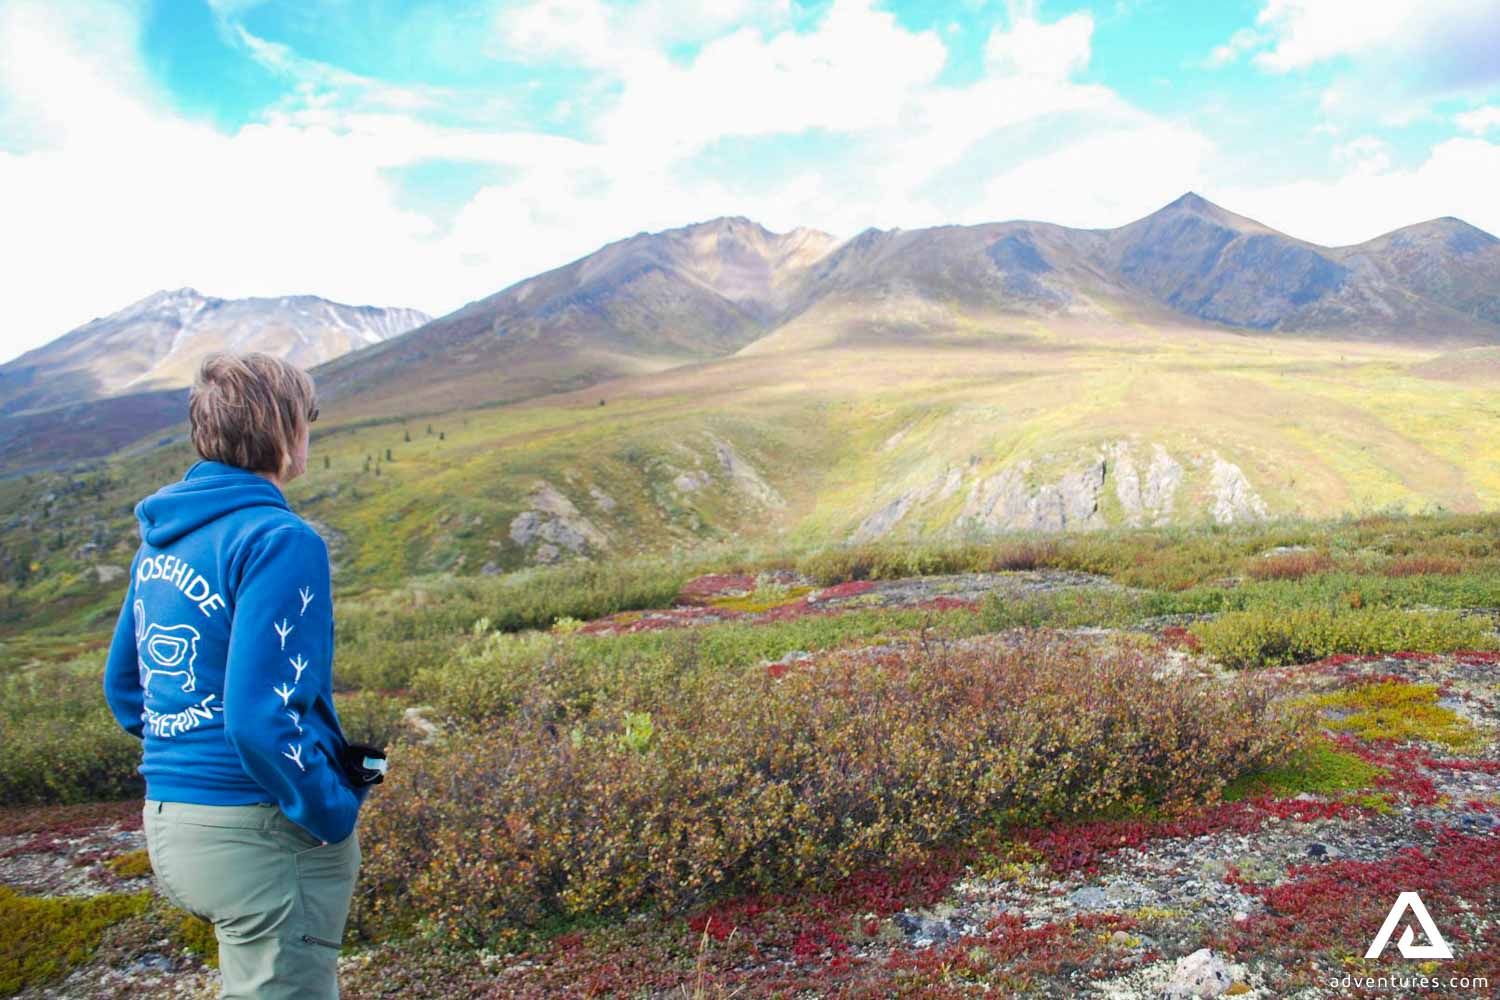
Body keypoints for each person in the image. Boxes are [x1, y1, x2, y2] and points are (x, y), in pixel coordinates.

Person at [103, 352, 370, 999]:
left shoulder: (163, 540)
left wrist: (190, 757)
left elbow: (125, 687)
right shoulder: (279, 538)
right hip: (257, 834)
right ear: (283, 429)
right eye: (305, 417)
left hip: (170, 822)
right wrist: (333, 811)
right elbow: (259, 720)